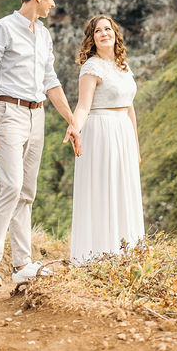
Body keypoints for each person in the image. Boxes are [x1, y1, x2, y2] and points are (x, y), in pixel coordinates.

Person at [0, 0, 80, 287]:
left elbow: (51, 81)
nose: (53, 3)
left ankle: (22, 265)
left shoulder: (44, 35)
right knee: (10, 184)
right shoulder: (3, 28)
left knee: (26, 193)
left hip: (37, 116)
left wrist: (72, 121)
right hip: (7, 112)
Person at [65, 15, 144, 263]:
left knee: (124, 189)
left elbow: (130, 109)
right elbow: (83, 107)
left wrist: (136, 148)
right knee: (102, 190)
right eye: (97, 31)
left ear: (115, 33)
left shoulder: (123, 66)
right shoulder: (92, 67)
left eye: (107, 29)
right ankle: (97, 255)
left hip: (123, 131)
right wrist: (74, 126)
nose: (104, 33)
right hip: (101, 131)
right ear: (92, 38)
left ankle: (127, 253)